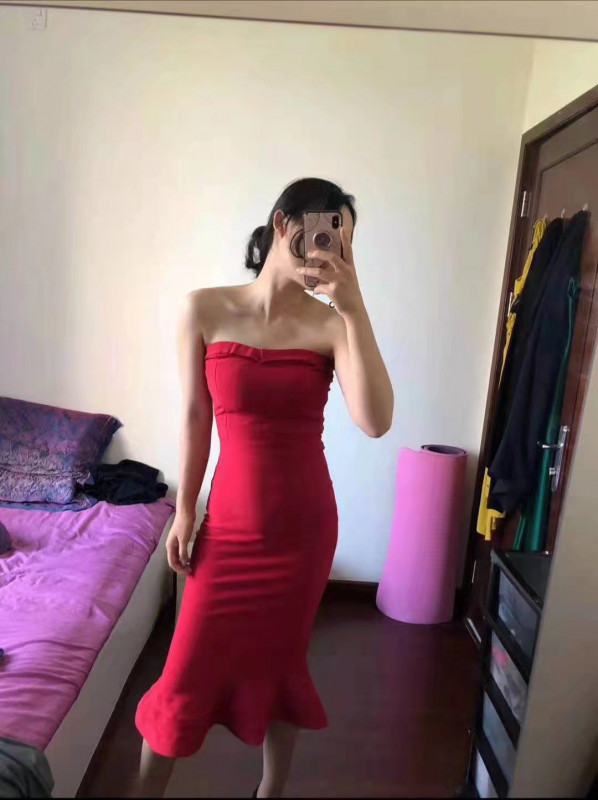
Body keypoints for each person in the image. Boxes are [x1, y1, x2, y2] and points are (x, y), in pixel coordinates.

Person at [134, 177, 394, 798]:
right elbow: (196, 417)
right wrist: (185, 511)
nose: (330, 249)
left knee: (282, 664)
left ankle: (270, 792)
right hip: (227, 526)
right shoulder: (204, 309)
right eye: (322, 232)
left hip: (302, 533)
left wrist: (354, 306)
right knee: (183, 674)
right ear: (283, 224)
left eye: (342, 240)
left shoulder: (333, 326)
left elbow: (376, 420)